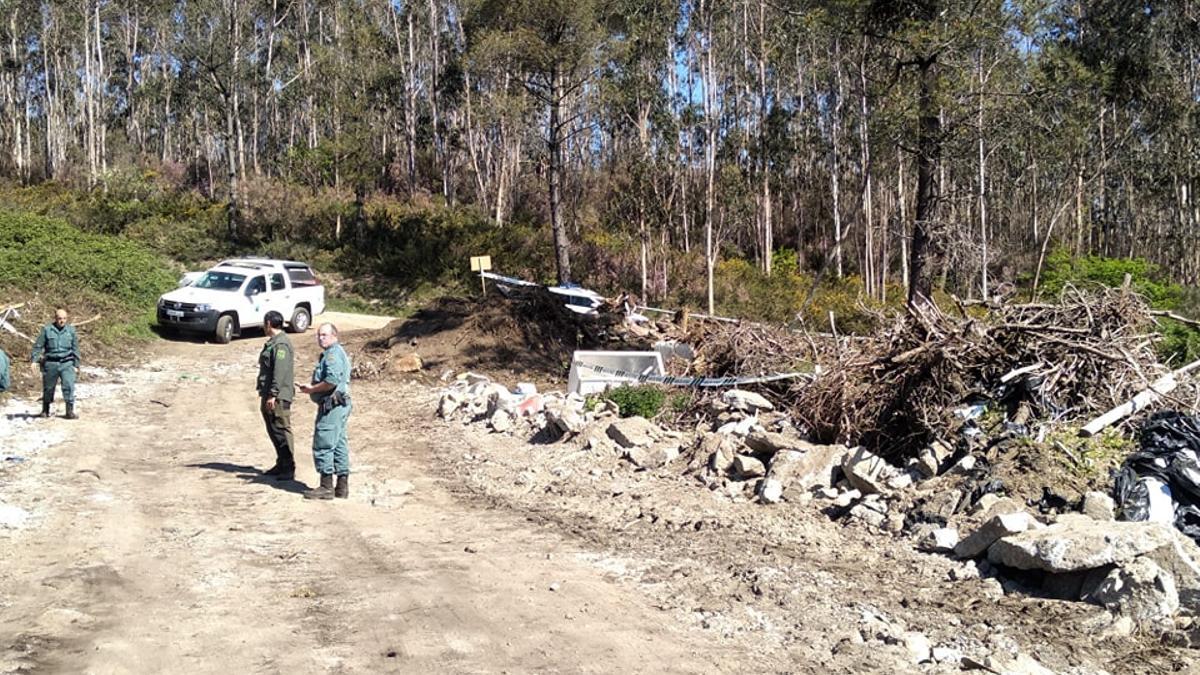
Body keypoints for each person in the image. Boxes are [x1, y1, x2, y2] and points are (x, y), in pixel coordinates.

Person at [298, 323, 352, 500]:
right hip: (339, 404)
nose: (321, 338)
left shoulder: (333, 355)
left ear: (334, 336)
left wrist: (312, 389)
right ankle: (342, 487)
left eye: (324, 335)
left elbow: (331, 380)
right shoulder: (334, 353)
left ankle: (326, 486)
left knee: (324, 442)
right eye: (319, 335)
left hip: (332, 405)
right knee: (339, 443)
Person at [256, 311, 296, 480]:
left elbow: (279, 372)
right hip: (270, 393)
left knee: (280, 429)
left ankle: (288, 466)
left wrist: (273, 394)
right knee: (273, 428)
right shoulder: (274, 343)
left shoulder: (281, 345)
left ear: (269, 324)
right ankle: (281, 462)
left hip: (278, 396)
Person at [31, 308, 80, 419]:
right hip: (51, 363)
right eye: (59, 318)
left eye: (64, 318)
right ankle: (45, 410)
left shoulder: (71, 331)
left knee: (69, 386)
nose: (62, 321)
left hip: (67, 363)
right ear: (55, 318)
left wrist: (76, 365)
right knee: (48, 388)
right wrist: (34, 360)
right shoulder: (47, 330)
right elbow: (38, 346)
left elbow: (75, 348)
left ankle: (69, 411)